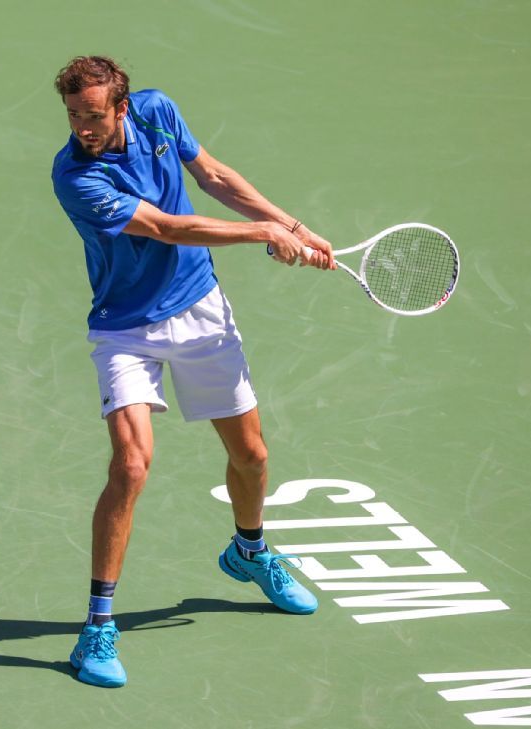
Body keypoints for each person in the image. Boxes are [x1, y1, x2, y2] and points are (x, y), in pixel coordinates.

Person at [50, 55, 337, 688]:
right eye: (72, 115)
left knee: (253, 458)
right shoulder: (75, 175)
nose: (81, 127)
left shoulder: (156, 110)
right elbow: (167, 228)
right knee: (129, 465)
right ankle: (97, 627)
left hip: (201, 313)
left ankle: (250, 551)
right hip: (126, 329)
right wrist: (261, 233)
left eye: (92, 115)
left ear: (121, 107)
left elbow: (212, 175)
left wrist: (292, 226)